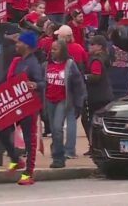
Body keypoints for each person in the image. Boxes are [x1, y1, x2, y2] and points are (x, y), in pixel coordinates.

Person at [0, 31, 45, 186]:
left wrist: (35, 85)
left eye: (19, 43)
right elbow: (5, 79)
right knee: (3, 130)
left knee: (29, 139)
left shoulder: (33, 64)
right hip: (14, 104)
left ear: (26, 45)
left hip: (29, 106)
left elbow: (42, 83)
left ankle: (29, 173)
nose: (16, 45)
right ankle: (15, 159)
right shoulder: (17, 61)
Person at [43, 40, 86, 168]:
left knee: (57, 128)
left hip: (63, 100)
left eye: (55, 49)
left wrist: (79, 104)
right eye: (52, 49)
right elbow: (42, 83)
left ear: (62, 50)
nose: (52, 51)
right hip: (49, 100)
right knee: (53, 129)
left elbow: (78, 85)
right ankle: (57, 151)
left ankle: (58, 157)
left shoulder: (70, 65)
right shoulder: (45, 65)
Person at [82, 36, 113, 149]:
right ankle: (100, 146)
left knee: (88, 121)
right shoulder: (106, 57)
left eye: (92, 44)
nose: (89, 46)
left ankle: (94, 146)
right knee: (101, 123)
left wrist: (83, 77)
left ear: (99, 46)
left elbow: (96, 76)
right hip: (105, 95)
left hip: (96, 96)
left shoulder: (96, 59)